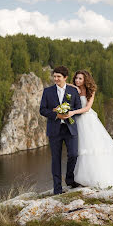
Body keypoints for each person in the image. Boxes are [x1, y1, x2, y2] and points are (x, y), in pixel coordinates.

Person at [66, 70, 113, 189]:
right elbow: (64, 84)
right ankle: (80, 178)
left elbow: (87, 108)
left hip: (87, 121)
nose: (77, 80)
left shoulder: (91, 91)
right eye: (76, 78)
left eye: (80, 79)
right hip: (77, 121)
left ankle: (97, 179)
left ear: (85, 80)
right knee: (79, 148)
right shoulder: (74, 88)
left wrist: (72, 112)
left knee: (91, 147)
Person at [39, 66, 82, 195]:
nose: (56, 79)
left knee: (73, 154)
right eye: (54, 76)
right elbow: (42, 110)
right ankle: (57, 188)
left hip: (70, 129)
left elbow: (78, 108)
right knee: (56, 159)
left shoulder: (73, 91)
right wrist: (57, 114)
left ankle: (69, 179)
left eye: (58, 76)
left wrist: (69, 113)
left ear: (65, 78)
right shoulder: (47, 91)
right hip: (54, 130)